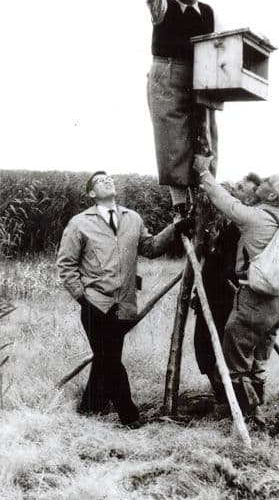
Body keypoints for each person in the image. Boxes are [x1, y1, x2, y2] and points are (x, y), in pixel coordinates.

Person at [57, 171, 192, 428]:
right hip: (94, 303)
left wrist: (174, 229)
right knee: (110, 359)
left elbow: (150, 248)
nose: (106, 180)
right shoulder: (80, 223)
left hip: (124, 306)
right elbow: (66, 264)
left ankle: (90, 408)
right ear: (91, 194)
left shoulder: (133, 218)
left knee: (105, 358)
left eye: (108, 178)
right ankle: (130, 416)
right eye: (99, 181)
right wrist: (82, 298)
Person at [193, 155, 279, 426]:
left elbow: (223, 200)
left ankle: (246, 418)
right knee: (259, 362)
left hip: (254, 301)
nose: (262, 182)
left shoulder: (254, 219)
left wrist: (204, 172)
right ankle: (256, 409)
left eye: (267, 182)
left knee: (236, 362)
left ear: (273, 194)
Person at [138, 0, 218, 217]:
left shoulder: (208, 12)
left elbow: (223, 40)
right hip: (167, 75)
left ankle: (201, 204)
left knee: (203, 137)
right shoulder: (165, 7)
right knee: (171, 139)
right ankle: (180, 208)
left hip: (199, 79)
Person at [192, 173, 262, 399]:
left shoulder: (248, 225)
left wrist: (214, 251)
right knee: (205, 348)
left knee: (224, 350)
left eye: (242, 188)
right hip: (211, 295)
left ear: (251, 199)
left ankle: (233, 399)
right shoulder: (231, 222)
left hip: (228, 298)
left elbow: (232, 265)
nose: (235, 188)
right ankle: (224, 396)